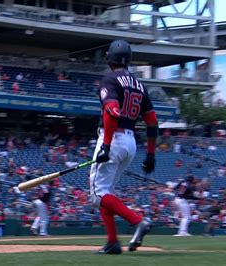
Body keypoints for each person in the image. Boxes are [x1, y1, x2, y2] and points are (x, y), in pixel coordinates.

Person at [89, 40, 158, 254]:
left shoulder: (109, 79)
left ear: (110, 58)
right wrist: (151, 154)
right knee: (106, 192)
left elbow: (111, 111)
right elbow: (152, 121)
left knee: (98, 196)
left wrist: (106, 146)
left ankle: (137, 221)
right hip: (131, 143)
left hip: (114, 138)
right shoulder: (139, 85)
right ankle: (112, 243)